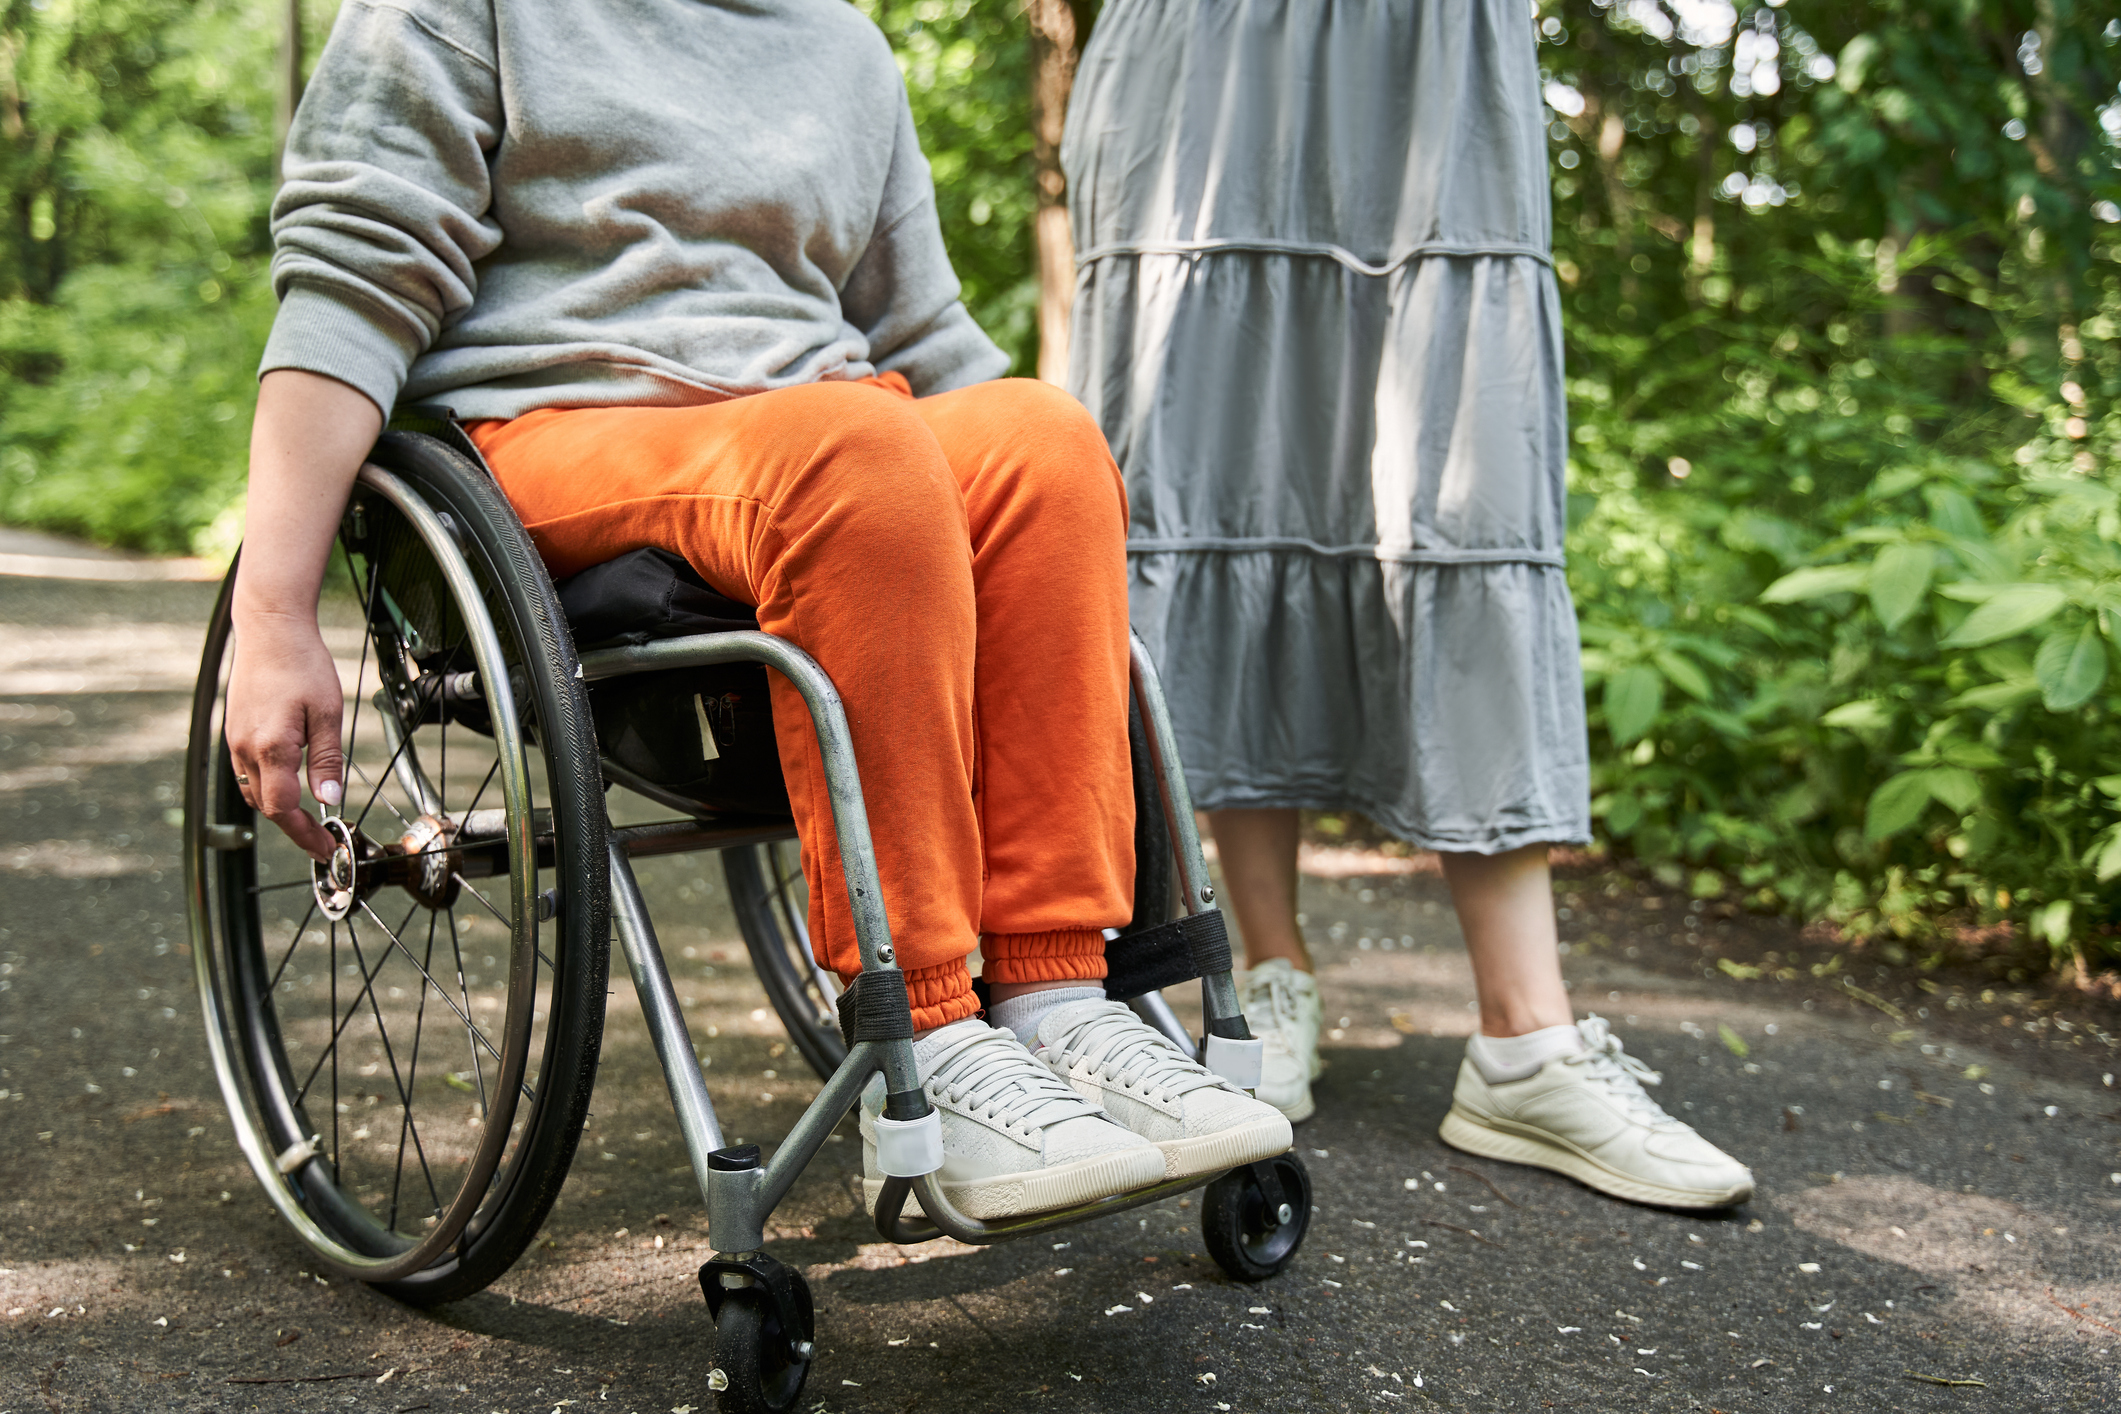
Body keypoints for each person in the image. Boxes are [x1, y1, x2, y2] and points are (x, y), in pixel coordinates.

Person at [225, 0, 1290, 1224]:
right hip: (557, 429)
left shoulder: (840, 44)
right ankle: (927, 1032)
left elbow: (924, 335)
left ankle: (1058, 997)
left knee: (1045, 443)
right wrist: (275, 609)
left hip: (819, 427)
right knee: (855, 452)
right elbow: (353, 283)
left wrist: (1034, 538)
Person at [1064, 0, 1752, 1208]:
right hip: (1202, 46)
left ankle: (1527, 1041)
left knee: (1461, 493)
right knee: (1224, 474)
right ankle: (1264, 974)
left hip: (1426, 44)